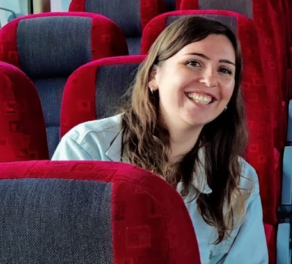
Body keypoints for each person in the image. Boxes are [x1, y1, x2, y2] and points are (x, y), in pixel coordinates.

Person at [54, 17, 267, 264]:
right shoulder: (88, 149)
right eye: (194, 63)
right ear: (154, 75)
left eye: (224, 70)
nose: (210, 80)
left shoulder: (240, 180)